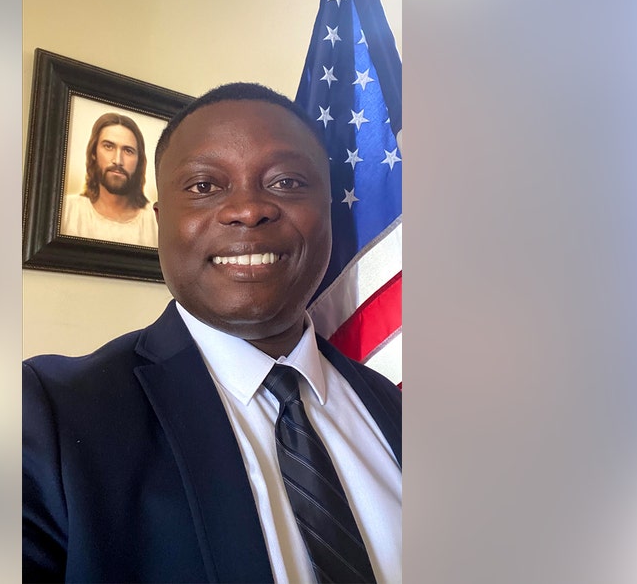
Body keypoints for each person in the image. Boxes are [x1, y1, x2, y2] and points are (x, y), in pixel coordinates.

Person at [23, 83, 402, 583]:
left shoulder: (394, 406)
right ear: (162, 222)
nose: (248, 210)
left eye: (286, 182)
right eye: (204, 186)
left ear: (329, 212)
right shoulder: (48, 415)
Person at [60, 112, 158, 247]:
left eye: (128, 151)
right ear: (93, 153)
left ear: (139, 161)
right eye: (108, 146)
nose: (118, 161)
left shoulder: (156, 222)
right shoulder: (66, 211)